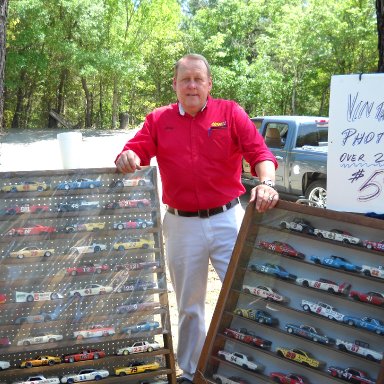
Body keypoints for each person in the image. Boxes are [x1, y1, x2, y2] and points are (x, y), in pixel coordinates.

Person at [115, 53, 278, 383]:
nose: (191, 85)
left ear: (209, 84)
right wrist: (127, 156)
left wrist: (268, 183)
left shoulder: (229, 113)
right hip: (181, 224)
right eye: (185, 79)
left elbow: (261, 154)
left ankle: (248, 366)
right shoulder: (159, 119)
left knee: (248, 294)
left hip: (228, 219)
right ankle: (191, 372)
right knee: (189, 305)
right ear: (174, 85)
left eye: (197, 79)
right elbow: (132, 153)